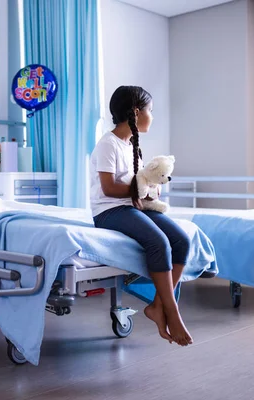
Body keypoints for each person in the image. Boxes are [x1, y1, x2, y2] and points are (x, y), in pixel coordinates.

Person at [89, 85, 192, 346]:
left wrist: (150, 193)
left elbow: (139, 182)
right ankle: (173, 311)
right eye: (151, 111)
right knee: (159, 242)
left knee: (182, 240)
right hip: (109, 211)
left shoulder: (132, 144)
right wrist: (142, 191)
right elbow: (109, 188)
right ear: (136, 112)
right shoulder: (107, 144)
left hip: (134, 205)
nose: (152, 117)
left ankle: (158, 306)